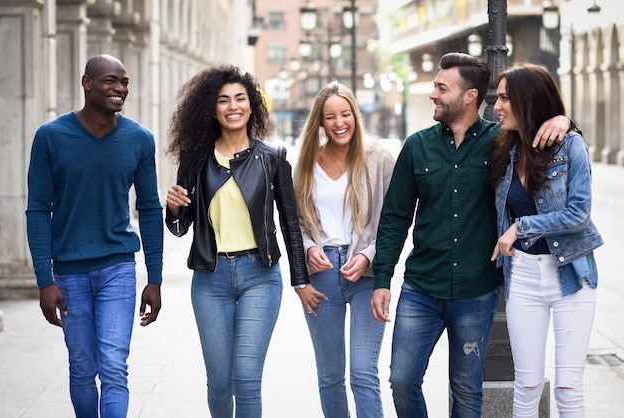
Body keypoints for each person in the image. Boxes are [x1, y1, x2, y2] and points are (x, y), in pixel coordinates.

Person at [370, 52, 574, 417]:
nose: (433, 94)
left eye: (441, 87)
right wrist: (382, 278)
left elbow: (550, 137)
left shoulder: (504, 143)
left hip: (476, 290)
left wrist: (565, 120)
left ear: (469, 96)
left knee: (467, 392)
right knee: (401, 381)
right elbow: (395, 217)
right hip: (421, 288)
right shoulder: (417, 146)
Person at [164, 64, 307, 418]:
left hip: (260, 276)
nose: (233, 106)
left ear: (252, 105)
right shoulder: (195, 159)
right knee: (219, 383)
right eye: (223, 100)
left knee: (245, 378)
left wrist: (300, 279)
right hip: (210, 280)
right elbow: (181, 229)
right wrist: (173, 210)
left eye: (240, 98)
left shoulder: (272, 158)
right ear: (211, 108)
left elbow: (290, 221)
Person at [26, 54, 163, 417]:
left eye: (124, 82)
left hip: (118, 269)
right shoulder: (51, 137)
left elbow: (149, 209)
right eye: (110, 81)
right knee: (83, 370)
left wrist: (155, 278)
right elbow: (38, 209)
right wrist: (44, 280)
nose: (120, 89)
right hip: (69, 273)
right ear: (87, 83)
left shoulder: (139, 139)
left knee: (115, 368)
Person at [488, 64, 603, 417]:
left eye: (506, 98)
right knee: (526, 386)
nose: (497, 106)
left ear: (528, 100)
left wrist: (520, 227)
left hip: (570, 274)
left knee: (568, 387)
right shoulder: (505, 148)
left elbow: (578, 214)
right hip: (522, 276)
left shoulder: (570, 147)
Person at [293, 81, 395, 418]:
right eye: (330, 117)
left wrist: (368, 254)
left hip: (366, 274)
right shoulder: (306, 162)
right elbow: (297, 222)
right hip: (321, 275)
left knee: (363, 373)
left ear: (355, 114)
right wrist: (308, 247)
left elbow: (395, 222)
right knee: (330, 376)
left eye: (345, 114)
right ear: (320, 122)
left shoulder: (379, 158)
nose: (339, 123)